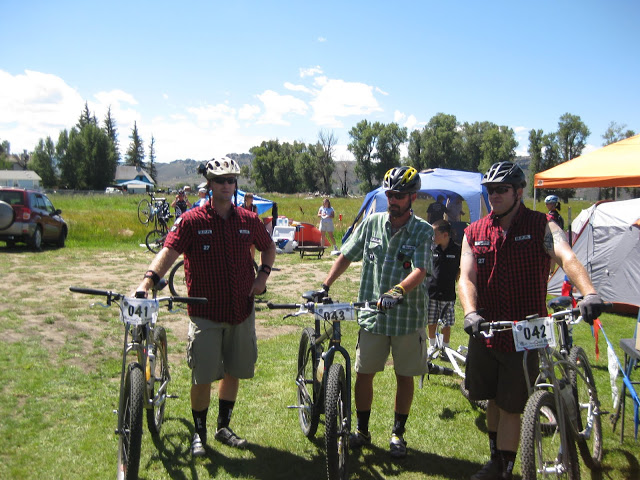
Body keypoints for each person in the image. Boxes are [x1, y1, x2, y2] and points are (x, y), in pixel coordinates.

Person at [457, 161, 605, 480]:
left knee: (512, 406)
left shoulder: (542, 226)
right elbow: (466, 277)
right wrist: (470, 312)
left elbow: (566, 256)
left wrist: (589, 292)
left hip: (526, 331)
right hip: (486, 329)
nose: (494, 195)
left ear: (519, 192)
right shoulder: (474, 231)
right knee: (492, 399)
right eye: (490, 190)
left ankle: (507, 469)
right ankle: (496, 460)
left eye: (502, 189)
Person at [134, 156, 276, 458]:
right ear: (209, 184)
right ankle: (199, 434)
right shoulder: (191, 220)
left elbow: (268, 246)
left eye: (231, 180)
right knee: (202, 377)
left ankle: (223, 427)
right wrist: (147, 282)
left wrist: (262, 276)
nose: (226, 185)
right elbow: (168, 251)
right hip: (205, 313)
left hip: (241, 311)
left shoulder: (248, 220)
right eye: (220, 180)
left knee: (233, 371)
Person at [313, 166, 433, 459]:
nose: (393, 200)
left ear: (412, 197)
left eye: (399, 196)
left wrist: (397, 292)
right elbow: (346, 255)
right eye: (390, 194)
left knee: (404, 376)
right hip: (372, 315)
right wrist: (325, 285)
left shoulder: (423, 230)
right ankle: (362, 431)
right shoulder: (371, 223)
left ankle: (397, 434)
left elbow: (420, 270)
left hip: (407, 317)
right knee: (363, 373)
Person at [426, 219, 461, 358]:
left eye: (435, 234)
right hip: (431, 291)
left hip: (447, 293)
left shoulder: (457, 249)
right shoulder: (431, 248)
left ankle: (445, 348)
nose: (432, 237)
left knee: (446, 322)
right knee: (431, 320)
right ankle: (432, 345)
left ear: (445, 234)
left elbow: (461, 269)